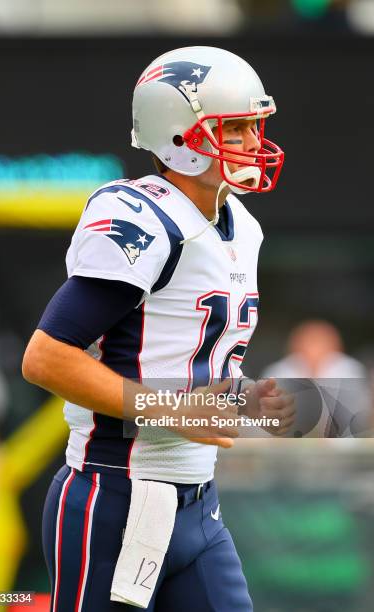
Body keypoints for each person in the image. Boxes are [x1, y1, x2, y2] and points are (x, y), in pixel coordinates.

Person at [22, 46, 294, 612]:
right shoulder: (144, 219)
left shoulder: (240, 224)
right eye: (235, 128)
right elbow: (46, 358)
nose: (251, 142)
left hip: (198, 500)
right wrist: (175, 411)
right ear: (180, 138)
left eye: (253, 126)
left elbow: (179, 351)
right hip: (113, 495)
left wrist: (242, 397)